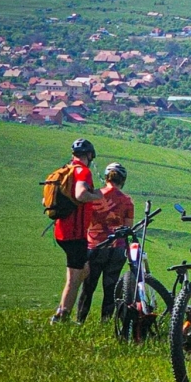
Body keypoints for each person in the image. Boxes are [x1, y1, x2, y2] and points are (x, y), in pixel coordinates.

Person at [51, 139, 104, 324]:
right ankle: (61, 316)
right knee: (75, 278)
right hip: (75, 233)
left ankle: (63, 312)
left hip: (62, 231)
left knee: (82, 271)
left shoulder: (65, 170)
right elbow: (81, 194)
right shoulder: (83, 171)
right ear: (89, 155)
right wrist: (96, 195)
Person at [75, 163, 135, 324]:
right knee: (111, 288)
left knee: (88, 287)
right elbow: (128, 227)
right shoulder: (127, 201)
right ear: (123, 179)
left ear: (107, 176)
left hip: (95, 246)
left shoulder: (94, 195)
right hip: (117, 249)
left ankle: (80, 321)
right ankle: (105, 322)